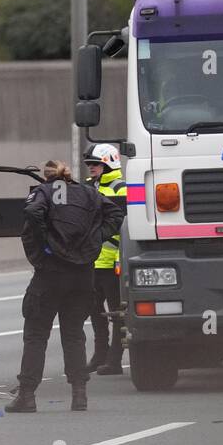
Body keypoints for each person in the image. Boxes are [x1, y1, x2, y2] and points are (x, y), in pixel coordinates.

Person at [7, 160, 124, 413]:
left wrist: (47, 243)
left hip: (50, 273)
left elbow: (31, 214)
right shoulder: (89, 192)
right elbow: (116, 214)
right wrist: (95, 238)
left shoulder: (44, 192)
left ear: (48, 177)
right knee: (74, 334)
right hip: (82, 274)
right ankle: (79, 394)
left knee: (36, 334)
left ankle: (27, 395)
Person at [85, 143, 128, 375]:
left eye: (95, 164)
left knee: (117, 313)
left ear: (108, 163)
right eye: (89, 164)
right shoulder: (88, 188)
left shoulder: (122, 189)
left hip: (113, 262)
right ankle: (99, 355)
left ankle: (115, 359)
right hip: (92, 261)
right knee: (94, 311)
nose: (91, 167)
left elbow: (125, 224)